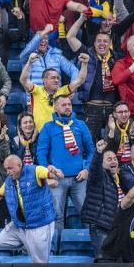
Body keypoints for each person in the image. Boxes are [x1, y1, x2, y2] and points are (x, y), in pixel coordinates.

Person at [0, 156, 63, 263]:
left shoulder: (35, 170)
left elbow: (52, 176)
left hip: (39, 225)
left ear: (19, 165)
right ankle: (24, 243)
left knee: (40, 264)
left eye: (10, 168)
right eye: (6, 169)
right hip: (19, 225)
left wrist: (55, 173)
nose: (8, 172)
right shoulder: (8, 182)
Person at [37, 95, 95, 249]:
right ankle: (55, 251)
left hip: (79, 179)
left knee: (87, 215)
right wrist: (49, 173)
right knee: (56, 217)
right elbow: (41, 155)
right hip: (57, 180)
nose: (68, 107)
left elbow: (91, 151)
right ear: (55, 107)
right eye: (63, 105)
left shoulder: (80, 125)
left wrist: (87, 169)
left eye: (69, 104)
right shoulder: (47, 127)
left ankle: (93, 248)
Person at [22, 54, 90, 130]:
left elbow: (80, 81)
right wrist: (29, 63)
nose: (57, 80)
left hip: (58, 134)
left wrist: (85, 64)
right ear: (44, 80)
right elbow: (23, 80)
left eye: (58, 78)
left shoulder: (63, 91)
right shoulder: (37, 91)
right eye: (53, 78)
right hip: (39, 134)